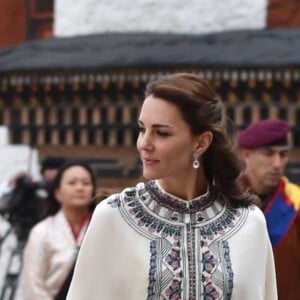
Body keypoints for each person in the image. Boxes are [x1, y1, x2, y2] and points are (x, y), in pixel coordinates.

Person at [67, 73, 277, 300]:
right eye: (142, 129)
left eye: (161, 133)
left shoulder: (248, 222)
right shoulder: (114, 216)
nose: (144, 144)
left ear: (201, 142)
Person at [237, 118, 300, 300]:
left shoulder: (296, 204)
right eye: (268, 153)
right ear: (246, 154)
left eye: (283, 154)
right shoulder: (222, 203)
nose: (277, 163)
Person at [17, 161, 97, 300]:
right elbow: (33, 284)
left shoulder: (103, 229)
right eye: (72, 183)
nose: (80, 188)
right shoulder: (42, 231)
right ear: (58, 192)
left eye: (86, 183)